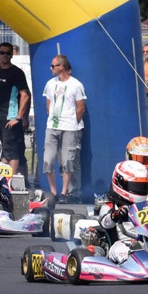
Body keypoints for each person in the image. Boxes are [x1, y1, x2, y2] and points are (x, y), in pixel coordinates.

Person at [42, 54, 87, 203]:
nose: (50, 68)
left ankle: (65, 192)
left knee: (68, 160)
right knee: (48, 160)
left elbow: (80, 108)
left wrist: (73, 123)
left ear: (61, 67)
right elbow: (48, 104)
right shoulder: (50, 84)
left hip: (70, 128)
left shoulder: (76, 85)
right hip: (52, 126)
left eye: (53, 66)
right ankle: (53, 192)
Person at [0, 42, 31, 176]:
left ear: (12, 54)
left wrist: (19, 117)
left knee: (12, 152)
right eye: (2, 53)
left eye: (8, 53)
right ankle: (1, 179)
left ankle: (12, 182)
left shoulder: (17, 73)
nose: (5, 55)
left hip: (9, 118)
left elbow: (25, 95)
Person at [98, 160, 148, 264]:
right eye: (135, 186)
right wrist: (115, 215)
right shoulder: (111, 205)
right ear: (120, 184)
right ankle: (131, 261)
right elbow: (105, 223)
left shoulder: (146, 206)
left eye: (142, 186)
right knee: (121, 250)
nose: (139, 190)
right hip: (121, 244)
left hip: (144, 243)